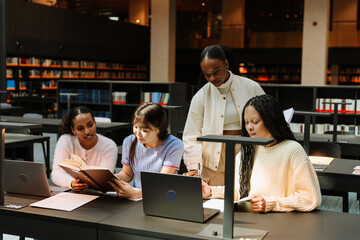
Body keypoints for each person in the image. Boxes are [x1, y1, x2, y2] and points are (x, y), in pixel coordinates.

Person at [202, 94, 322, 213]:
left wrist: (270, 203)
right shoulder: (247, 151)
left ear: (271, 120)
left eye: (255, 122)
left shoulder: (293, 150)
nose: (249, 127)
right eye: (246, 122)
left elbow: (310, 198)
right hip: (251, 219)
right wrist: (211, 192)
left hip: (281, 222)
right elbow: (240, 192)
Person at [182, 44, 264, 186]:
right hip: (213, 158)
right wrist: (194, 167)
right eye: (207, 75)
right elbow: (191, 136)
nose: (212, 78)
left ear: (226, 64)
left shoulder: (251, 87)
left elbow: (268, 118)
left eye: (216, 71)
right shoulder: (200, 96)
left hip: (245, 150)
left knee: (245, 197)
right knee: (214, 199)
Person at [109, 103, 184, 200]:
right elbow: (127, 174)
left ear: (159, 129)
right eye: (135, 127)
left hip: (163, 197)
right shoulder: (129, 141)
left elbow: (162, 182)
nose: (138, 133)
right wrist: (109, 179)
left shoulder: (174, 145)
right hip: (136, 198)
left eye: (144, 130)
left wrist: (137, 193)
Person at [51, 106, 118, 190]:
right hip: (72, 193)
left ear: (95, 123)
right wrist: (71, 182)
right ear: (73, 130)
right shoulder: (66, 140)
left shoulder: (109, 145)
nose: (87, 131)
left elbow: (104, 179)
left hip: (99, 195)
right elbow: (56, 173)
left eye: (90, 125)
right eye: (80, 128)